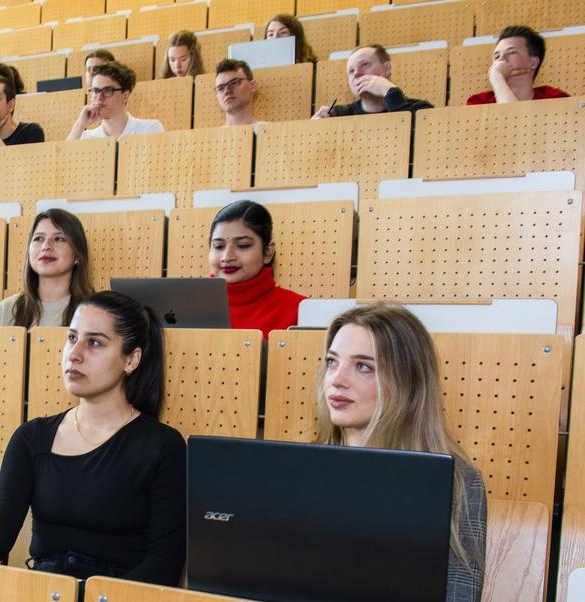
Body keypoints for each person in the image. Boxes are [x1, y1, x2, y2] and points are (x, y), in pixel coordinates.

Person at [0, 291, 186, 586]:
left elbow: (164, 563)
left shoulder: (163, 446)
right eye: (72, 338)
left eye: (95, 343)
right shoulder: (31, 437)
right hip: (45, 591)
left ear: (131, 360)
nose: (74, 354)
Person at [317, 304, 487, 602]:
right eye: (332, 361)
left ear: (408, 383)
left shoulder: (458, 483)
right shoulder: (303, 468)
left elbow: (460, 595)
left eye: (364, 366)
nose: (337, 379)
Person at [208, 200, 306, 340]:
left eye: (242, 245)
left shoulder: (299, 311)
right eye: (218, 246)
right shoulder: (183, 308)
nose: (227, 257)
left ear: (268, 253)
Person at [0, 209, 94, 328]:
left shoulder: (96, 311)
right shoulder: (5, 311)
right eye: (38, 239)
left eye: (59, 239)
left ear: (77, 255)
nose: (46, 246)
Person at [313, 45, 433, 118]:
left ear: (387, 68)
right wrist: (314, 129)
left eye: (365, 64)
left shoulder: (420, 110)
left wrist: (390, 92)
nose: (356, 74)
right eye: (351, 71)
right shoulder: (338, 115)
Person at [467, 25, 569, 105]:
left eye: (512, 52)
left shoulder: (555, 99)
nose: (501, 59)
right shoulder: (479, 102)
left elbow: (514, 122)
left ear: (533, 62)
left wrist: (497, 77)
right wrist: (497, 77)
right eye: (496, 56)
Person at [68, 61, 163, 140]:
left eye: (107, 90)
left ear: (125, 96)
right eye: (96, 91)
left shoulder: (150, 129)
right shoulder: (87, 137)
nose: (99, 97)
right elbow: (63, 160)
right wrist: (80, 124)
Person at [215, 59, 261, 128]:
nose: (227, 91)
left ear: (253, 86)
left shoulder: (271, 132)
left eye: (234, 83)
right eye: (220, 88)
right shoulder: (211, 137)